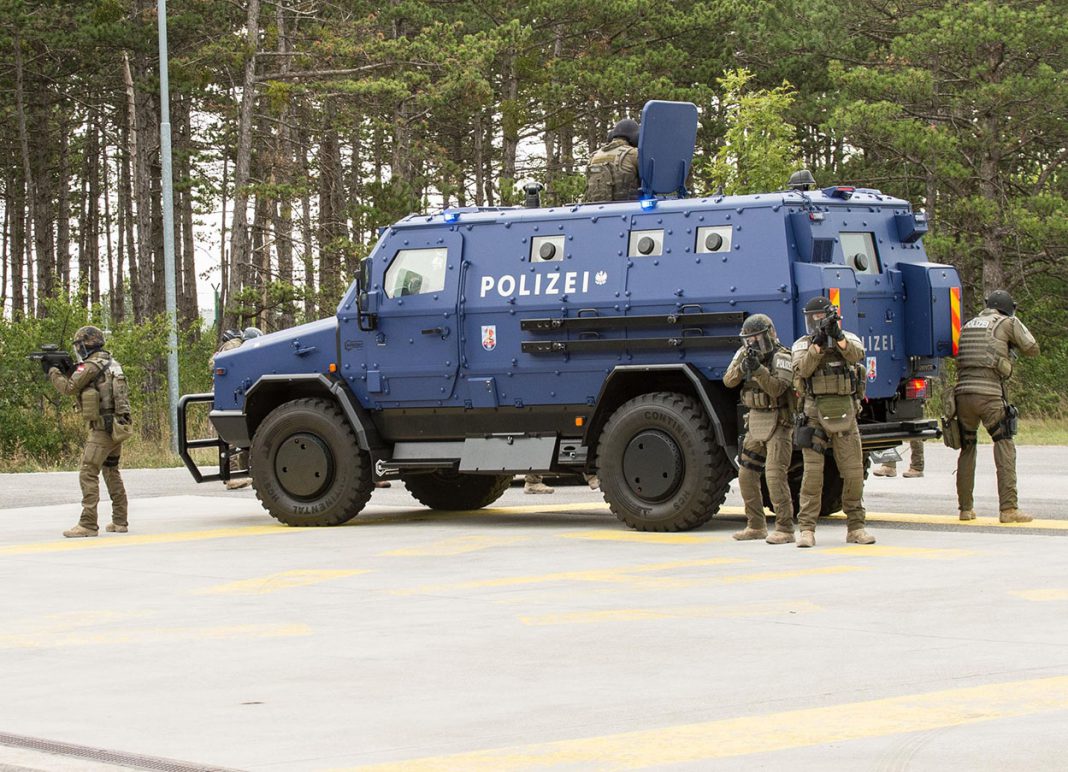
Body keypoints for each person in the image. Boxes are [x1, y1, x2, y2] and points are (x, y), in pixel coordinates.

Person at [792, 296, 875, 547]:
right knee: (813, 474)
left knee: (852, 472)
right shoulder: (802, 344)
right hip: (814, 412)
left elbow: (856, 355)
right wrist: (817, 346)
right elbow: (802, 370)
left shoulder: (847, 338)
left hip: (845, 412)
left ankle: (856, 527)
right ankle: (807, 528)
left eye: (821, 321)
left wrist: (837, 336)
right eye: (813, 320)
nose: (817, 325)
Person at [953, 290, 1039, 522]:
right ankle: (1009, 509)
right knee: (1004, 445)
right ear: (1008, 308)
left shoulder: (970, 324)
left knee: (968, 447)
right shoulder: (1007, 322)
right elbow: (1032, 347)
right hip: (989, 394)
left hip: (962, 395)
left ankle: (965, 509)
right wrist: (1015, 326)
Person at [47, 326, 132, 538]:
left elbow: (68, 388)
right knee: (111, 470)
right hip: (117, 426)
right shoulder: (112, 362)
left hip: (103, 428)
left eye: (80, 346)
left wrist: (53, 371)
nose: (78, 350)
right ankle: (120, 520)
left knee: (88, 471)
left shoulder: (92, 365)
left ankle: (88, 523)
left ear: (87, 344)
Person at [723, 314, 796, 544]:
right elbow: (728, 381)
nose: (753, 342)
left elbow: (776, 388)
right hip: (755, 420)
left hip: (779, 421)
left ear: (770, 334)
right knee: (746, 473)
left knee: (775, 476)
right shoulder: (744, 354)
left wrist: (758, 370)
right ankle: (755, 525)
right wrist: (743, 366)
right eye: (749, 338)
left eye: (757, 337)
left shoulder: (782, 356)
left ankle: (785, 528)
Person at [211, 329, 253, 490]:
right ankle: (232, 476)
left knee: (229, 437)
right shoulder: (234, 347)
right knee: (231, 436)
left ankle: (234, 474)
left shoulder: (228, 348)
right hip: (227, 396)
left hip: (224, 395)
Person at [583, 118, 641, 202]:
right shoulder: (633, 154)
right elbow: (649, 182)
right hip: (629, 208)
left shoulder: (594, 156)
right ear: (635, 136)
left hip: (597, 209)